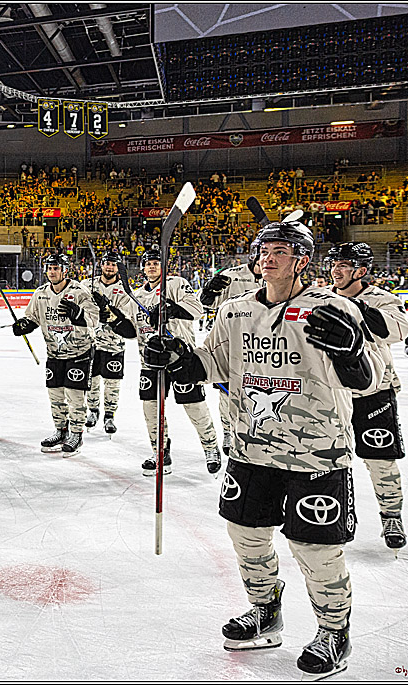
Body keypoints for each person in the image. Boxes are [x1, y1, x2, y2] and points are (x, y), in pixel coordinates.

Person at [144, 220, 380, 679]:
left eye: (281, 250)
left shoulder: (330, 308)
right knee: (245, 536)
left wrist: (352, 353)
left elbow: (365, 379)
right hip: (250, 448)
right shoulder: (234, 311)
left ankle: (334, 631)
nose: (268, 257)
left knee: (315, 547)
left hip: (317, 452)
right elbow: (207, 364)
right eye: (262, 249)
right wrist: (173, 355)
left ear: (302, 260)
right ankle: (265, 612)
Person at [327, 242, 408, 550]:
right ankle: (337, 517)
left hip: (375, 391)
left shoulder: (382, 299)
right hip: (333, 393)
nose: (335, 270)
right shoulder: (322, 300)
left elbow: (397, 331)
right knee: (331, 459)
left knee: (381, 460)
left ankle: (391, 515)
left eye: (343, 265)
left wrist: (356, 308)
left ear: (361, 271)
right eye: (333, 264)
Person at [127, 249, 220, 476]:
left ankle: (211, 448)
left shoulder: (176, 284)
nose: (152, 266)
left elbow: (198, 310)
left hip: (181, 360)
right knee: (151, 410)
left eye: (156, 262)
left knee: (194, 406)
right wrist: (109, 316)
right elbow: (131, 330)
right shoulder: (137, 296)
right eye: (148, 263)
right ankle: (160, 452)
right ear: (143, 267)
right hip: (150, 363)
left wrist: (170, 309)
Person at [11, 253, 99, 455]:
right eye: (49, 268)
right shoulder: (41, 293)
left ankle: (76, 433)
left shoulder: (79, 290)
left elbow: (94, 318)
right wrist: (24, 325)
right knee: (55, 395)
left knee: (75, 396)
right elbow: (32, 317)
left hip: (79, 351)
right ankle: (61, 430)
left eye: (56, 268)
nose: (52, 271)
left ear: (65, 270)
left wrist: (78, 314)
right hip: (54, 352)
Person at [198, 256, 263, 455]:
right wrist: (208, 291)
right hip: (231, 345)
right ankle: (228, 430)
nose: (268, 260)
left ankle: (257, 432)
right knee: (227, 393)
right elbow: (206, 303)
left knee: (260, 395)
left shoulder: (278, 276)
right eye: (263, 255)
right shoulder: (232, 275)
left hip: (263, 347)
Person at [80, 250, 137, 434]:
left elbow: (127, 316)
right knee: (92, 380)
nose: (109, 267)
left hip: (114, 343)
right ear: (101, 265)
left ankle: (110, 415)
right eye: (107, 263)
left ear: (117, 268)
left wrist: (109, 310)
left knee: (112, 382)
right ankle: (93, 410)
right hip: (90, 342)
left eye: (113, 264)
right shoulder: (88, 284)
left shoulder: (124, 290)